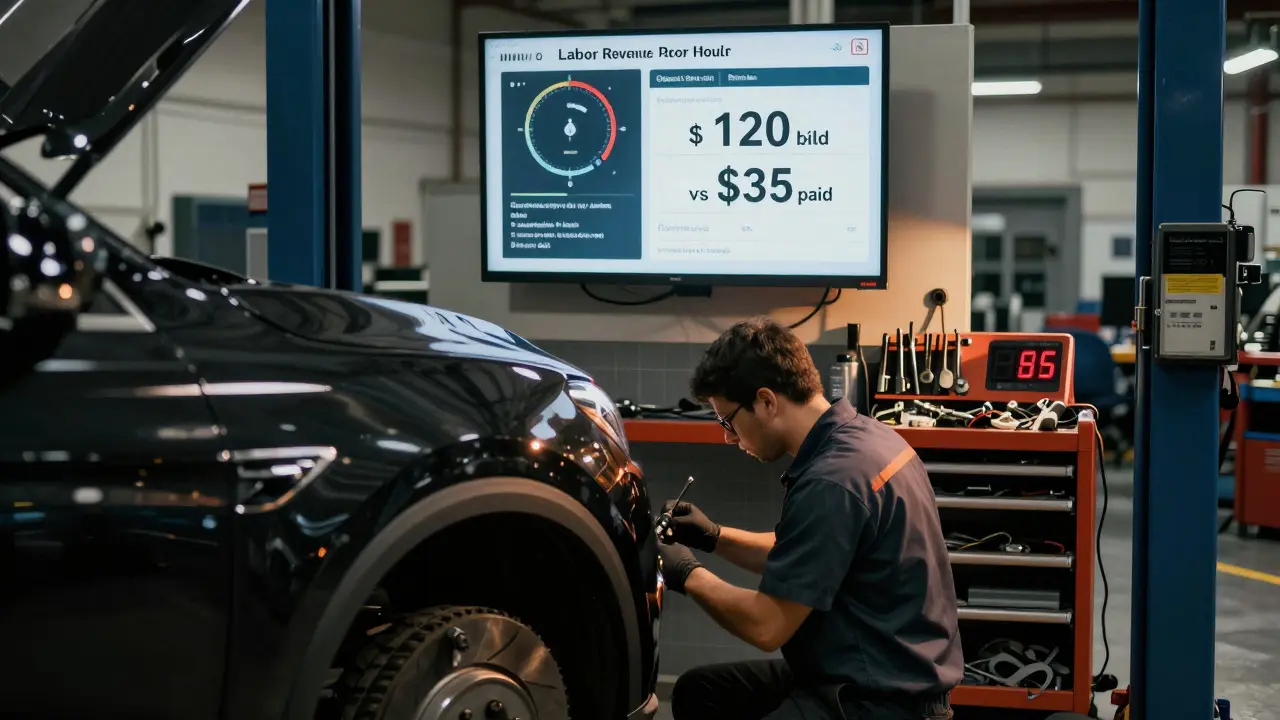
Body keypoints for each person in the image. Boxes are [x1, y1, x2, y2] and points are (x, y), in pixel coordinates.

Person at [657, 317, 963, 720]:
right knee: (701, 692)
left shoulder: (833, 481)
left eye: (728, 421)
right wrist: (713, 536)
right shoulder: (868, 439)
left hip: (880, 700)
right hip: (880, 669)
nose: (728, 438)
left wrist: (685, 573)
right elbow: (811, 551)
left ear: (766, 401)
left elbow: (766, 626)